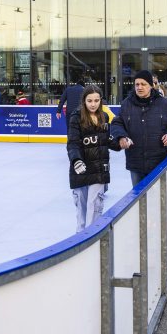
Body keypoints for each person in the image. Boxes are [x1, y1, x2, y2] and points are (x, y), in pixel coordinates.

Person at [110, 70, 167, 186]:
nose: (139, 87)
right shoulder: (126, 104)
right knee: (138, 199)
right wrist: (121, 136)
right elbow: (117, 123)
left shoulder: (164, 104)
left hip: (159, 161)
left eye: (143, 84)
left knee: (158, 197)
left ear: (151, 86)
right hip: (135, 161)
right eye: (137, 84)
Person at [66, 85, 120, 232]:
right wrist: (76, 160)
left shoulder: (104, 117)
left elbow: (106, 140)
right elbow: (72, 143)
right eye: (90, 100)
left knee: (94, 208)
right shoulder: (76, 118)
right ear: (84, 101)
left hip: (98, 170)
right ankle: (80, 240)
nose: (93, 104)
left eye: (96, 100)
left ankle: (93, 240)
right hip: (81, 170)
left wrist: (120, 143)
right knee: (82, 214)